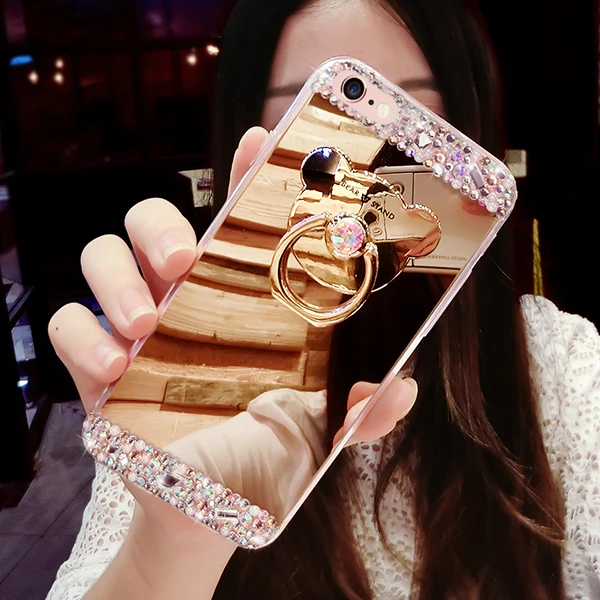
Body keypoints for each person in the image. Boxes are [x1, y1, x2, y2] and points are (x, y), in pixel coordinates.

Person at [46, 0, 600, 598]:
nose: (370, 147)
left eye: (412, 114)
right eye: (315, 108)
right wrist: (167, 553)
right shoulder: (194, 391)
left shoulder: (562, 368)